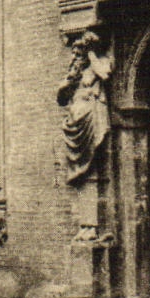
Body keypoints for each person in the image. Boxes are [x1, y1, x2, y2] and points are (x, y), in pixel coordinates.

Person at [57, 29, 114, 185]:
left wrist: (91, 56)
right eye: (75, 53)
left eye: (80, 52)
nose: (76, 55)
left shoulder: (101, 62)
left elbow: (104, 75)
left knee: (94, 143)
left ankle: (83, 168)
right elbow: (62, 98)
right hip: (76, 112)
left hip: (90, 110)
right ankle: (77, 169)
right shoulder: (77, 71)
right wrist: (66, 85)